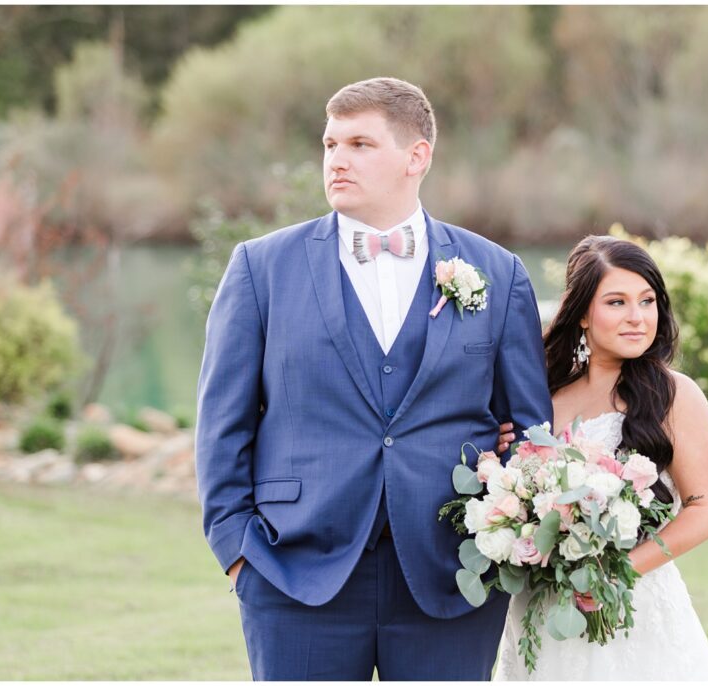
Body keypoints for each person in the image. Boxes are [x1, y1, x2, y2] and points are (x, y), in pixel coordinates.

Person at [195, 77, 552, 680]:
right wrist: (238, 553)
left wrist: (509, 534)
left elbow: (528, 428)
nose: (337, 160)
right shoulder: (261, 268)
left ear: (417, 157)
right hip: (294, 574)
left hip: (454, 578)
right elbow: (221, 426)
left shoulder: (497, 272)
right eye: (330, 144)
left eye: (360, 144)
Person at [492, 235, 708, 680]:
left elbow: (707, 508)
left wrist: (615, 573)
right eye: (617, 302)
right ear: (582, 312)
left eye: (648, 301)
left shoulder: (676, 396)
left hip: (631, 602)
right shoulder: (542, 395)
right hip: (544, 606)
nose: (638, 317)